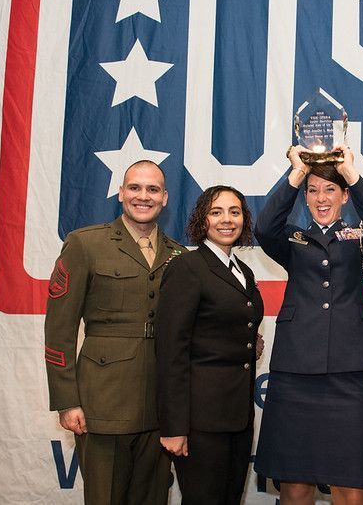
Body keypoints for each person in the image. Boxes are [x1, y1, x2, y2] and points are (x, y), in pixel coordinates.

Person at [254, 145, 363, 505]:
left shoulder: (361, 238)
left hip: (348, 373)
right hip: (296, 371)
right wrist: (297, 172)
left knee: (351, 484)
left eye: (330, 189)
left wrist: (350, 172)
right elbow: (264, 227)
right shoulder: (292, 239)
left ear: (345, 196)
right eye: (313, 190)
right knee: (295, 483)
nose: (321, 197)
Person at [44, 160, 182, 504]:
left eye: (152, 190)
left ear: (164, 198)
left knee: (153, 499)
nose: (143, 197)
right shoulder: (85, 244)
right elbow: (59, 329)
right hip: (102, 401)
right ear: (121, 193)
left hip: (159, 405)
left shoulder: (179, 255)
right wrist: (67, 401)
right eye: (135, 187)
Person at [156, 185, 265, 504]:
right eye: (216, 212)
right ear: (202, 220)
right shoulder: (186, 268)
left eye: (235, 212)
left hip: (238, 417)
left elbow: (227, 325)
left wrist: (246, 343)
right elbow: (170, 351)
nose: (226, 220)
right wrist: (174, 427)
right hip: (199, 421)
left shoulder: (242, 271)